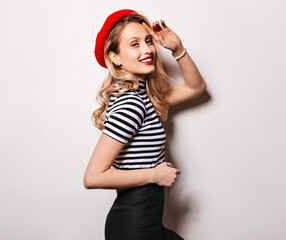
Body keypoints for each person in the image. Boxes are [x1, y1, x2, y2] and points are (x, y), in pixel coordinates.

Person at [84, 9, 207, 240]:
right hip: (135, 229)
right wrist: (154, 174)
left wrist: (178, 49)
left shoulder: (145, 98)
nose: (147, 49)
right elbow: (92, 177)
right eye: (134, 44)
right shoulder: (131, 105)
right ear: (115, 57)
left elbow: (196, 87)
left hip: (145, 225)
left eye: (148, 41)